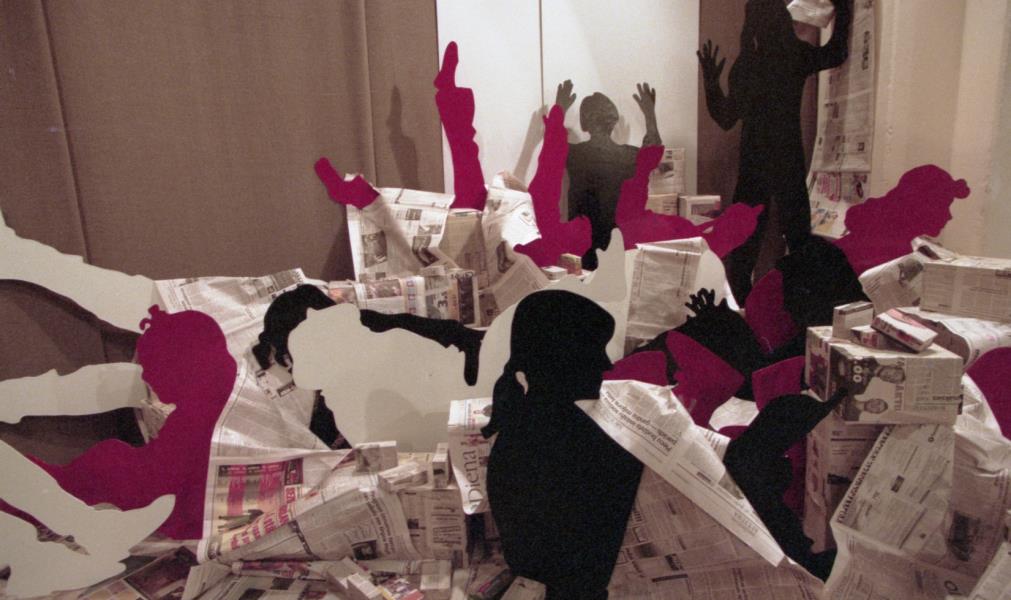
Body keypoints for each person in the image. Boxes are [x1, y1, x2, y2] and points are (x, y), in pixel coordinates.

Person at [483, 290, 643, 599]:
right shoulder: (568, 438)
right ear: (562, 358)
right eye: (595, 351)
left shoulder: (527, 420)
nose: (606, 364)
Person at [698, 0, 851, 301]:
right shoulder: (793, 54)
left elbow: (725, 118)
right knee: (798, 238)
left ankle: (746, 308)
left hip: (754, 161)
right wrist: (843, 7)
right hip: (786, 157)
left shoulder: (748, 65)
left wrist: (711, 83)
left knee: (745, 245)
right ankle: (803, 304)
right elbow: (836, 53)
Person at [557, 80, 662, 269]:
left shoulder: (575, 154)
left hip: (585, 247)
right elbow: (653, 152)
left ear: (584, 123)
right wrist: (650, 115)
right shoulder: (630, 155)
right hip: (620, 245)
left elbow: (552, 144)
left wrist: (559, 110)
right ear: (613, 122)